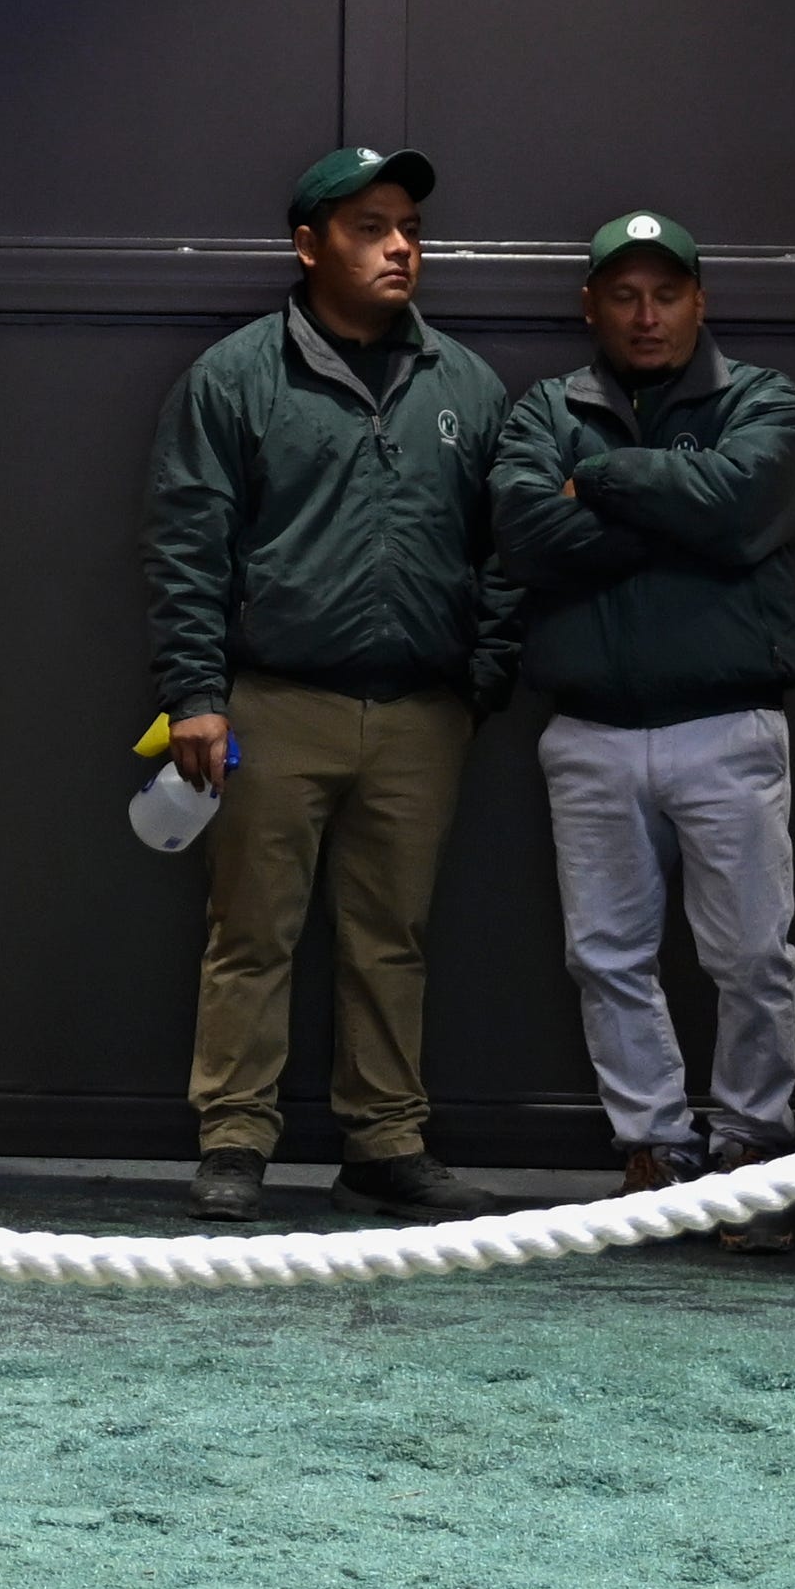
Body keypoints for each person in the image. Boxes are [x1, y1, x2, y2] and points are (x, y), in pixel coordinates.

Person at [143, 145, 517, 1223]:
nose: (399, 246)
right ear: (308, 246)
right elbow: (185, 548)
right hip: (271, 703)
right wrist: (196, 695)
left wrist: (477, 678)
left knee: (390, 935)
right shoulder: (235, 378)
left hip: (420, 712)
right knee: (250, 930)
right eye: (368, 227)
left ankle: (385, 1139)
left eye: (407, 227)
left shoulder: (465, 383)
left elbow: (504, 552)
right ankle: (233, 1138)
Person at [493, 212, 795, 1250]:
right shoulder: (546, 410)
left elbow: (737, 507)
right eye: (623, 294)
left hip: (726, 725)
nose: (644, 313)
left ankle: (750, 1153)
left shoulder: (761, 398)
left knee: (754, 957)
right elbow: (525, 534)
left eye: (664, 292)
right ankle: (655, 1148)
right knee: (606, 957)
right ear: (590, 303)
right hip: (586, 732)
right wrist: (678, 510)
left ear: (698, 299)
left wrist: (608, 481)